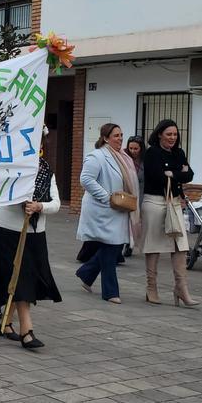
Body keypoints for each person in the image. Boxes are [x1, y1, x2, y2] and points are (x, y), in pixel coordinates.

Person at [0, 141, 62, 348]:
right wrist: (21, 201)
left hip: (35, 233)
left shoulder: (46, 172)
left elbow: (56, 204)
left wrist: (39, 205)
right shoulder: (10, 168)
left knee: (28, 277)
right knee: (20, 277)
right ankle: (27, 331)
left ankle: (5, 322)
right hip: (8, 230)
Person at [75, 123, 135, 304]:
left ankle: (86, 273)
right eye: (116, 135)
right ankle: (110, 292)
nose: (120, 139)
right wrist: (106, 197)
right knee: (111, 247)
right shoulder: (97, 156)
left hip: (119, 208)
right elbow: (85, 179)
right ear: (106, 138)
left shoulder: (122, 156)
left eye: (121, 135)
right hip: (102, 209)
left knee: (114, 246)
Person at [142, 119, 199, 307]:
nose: (172, 138)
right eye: (169, 134)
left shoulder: (179, 152)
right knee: (154, 246)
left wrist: (172, 173)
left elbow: (189, 174)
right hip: (155, 202)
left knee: (180, 245)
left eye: (175, 134)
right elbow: (156, 176)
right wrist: (176, 172)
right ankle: (152, 287)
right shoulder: (152, 153)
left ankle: (181, 289)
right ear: (159, 134)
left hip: (174, 203)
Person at [122, 135, 146, 257]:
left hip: (140, 194)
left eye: (136, 149)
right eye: (131, 148)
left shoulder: (145, 161)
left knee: (135, 221)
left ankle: (131, 244)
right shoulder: (123, 157)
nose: (133, 151)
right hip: (126, 193)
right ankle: (125, 243)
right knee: (125, 220)